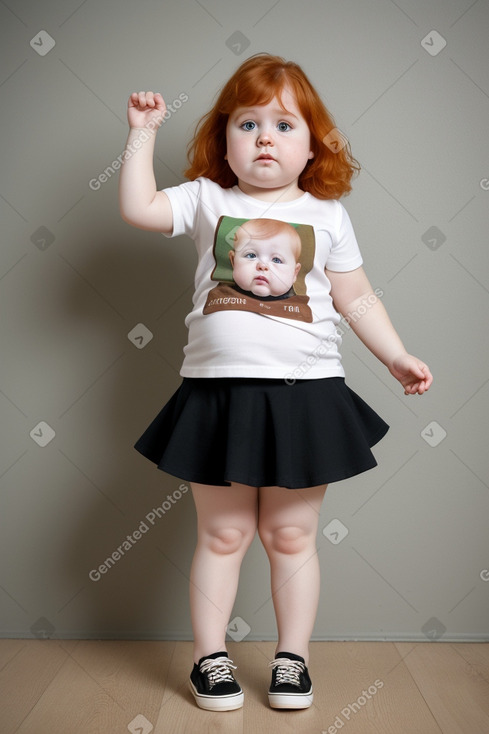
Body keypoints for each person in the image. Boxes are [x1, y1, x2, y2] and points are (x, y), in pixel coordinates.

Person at [119, 53, 432, 713]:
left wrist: (396, 356)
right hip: (218, 395)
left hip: (305, 396)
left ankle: (293, 661)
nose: (265, 137)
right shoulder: (208, 198)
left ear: (313, 146)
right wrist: (141, 132)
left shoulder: (326, 214)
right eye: (247, 123)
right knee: (223, 535)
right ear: (222, 140)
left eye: (285, 125)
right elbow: (141, 210)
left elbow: (357, 299)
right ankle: (210, 659)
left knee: (290, 535)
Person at [229, 218, 302, 297]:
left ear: (295, 273)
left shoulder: (297, 306)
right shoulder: (223, 296)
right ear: (233, 261)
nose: (262, 266)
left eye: (276, 260)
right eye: (251, 255)